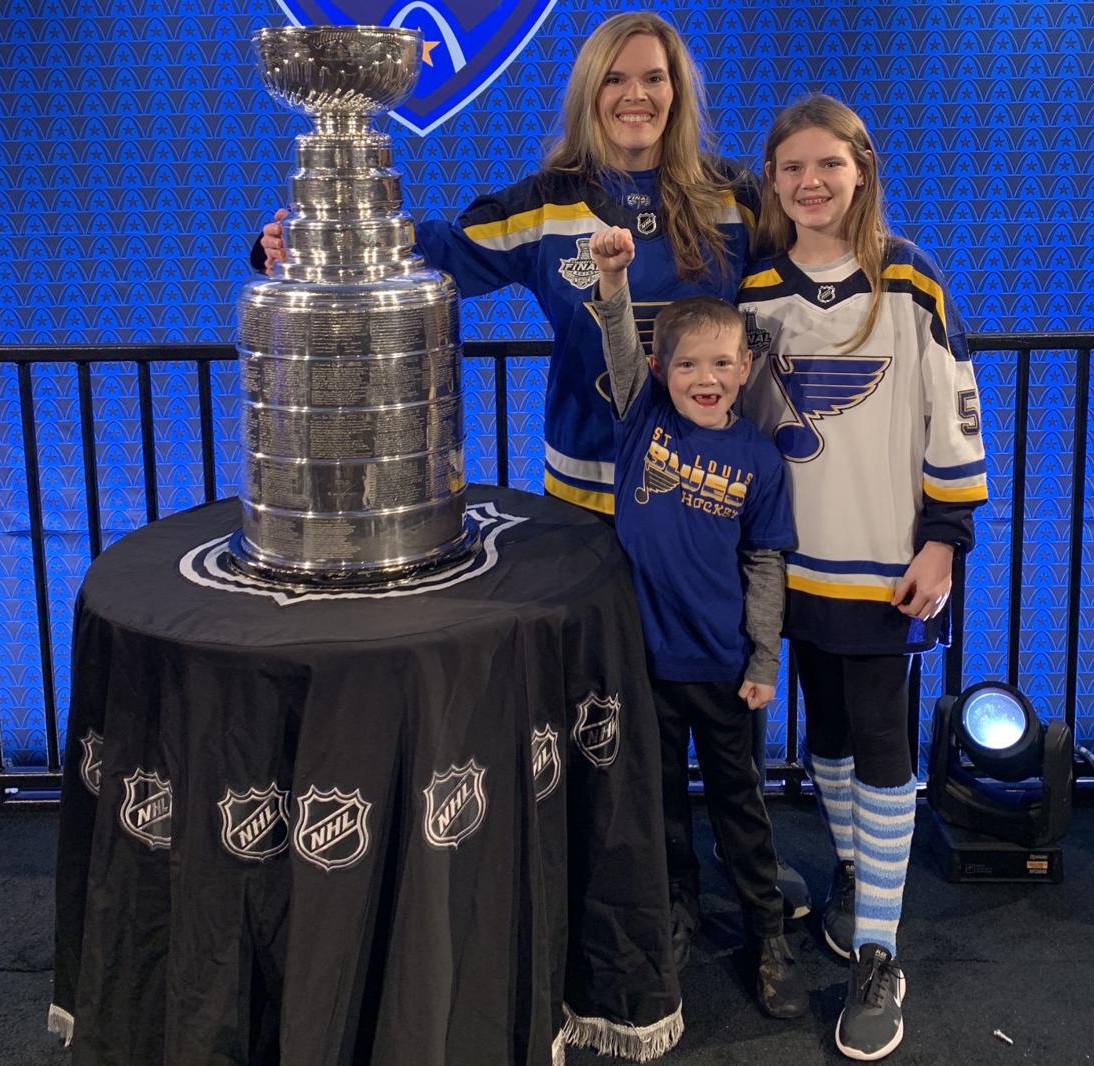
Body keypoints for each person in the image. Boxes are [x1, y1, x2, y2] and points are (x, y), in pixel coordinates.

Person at [251, 11, 813, 918]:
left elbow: (814, 272)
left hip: (710, 506)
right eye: (616, 79)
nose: (637, 95)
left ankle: (739, 876)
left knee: (717, 699)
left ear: (680, 91)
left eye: (655, 79)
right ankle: (624, 883)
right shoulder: (548, 199)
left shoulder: (732, 196)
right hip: (589, 499)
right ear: (590, 92)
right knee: (609, 704)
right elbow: (435, 250)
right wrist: (300, 240)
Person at [592, 95, 989, 1061]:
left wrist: (945, 535)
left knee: (884, 742)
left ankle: (879, 956)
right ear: (770, 181)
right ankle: (858, 879)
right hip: (786, 562)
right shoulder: (757, 286)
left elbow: (956, 409)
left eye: (828, 166)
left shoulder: (911, 279)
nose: (809, 184)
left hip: (885, 562)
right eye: (789, 169)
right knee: (833, 744)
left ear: (863, 166)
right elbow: (709, 389)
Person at [588, 225, 807, 1020]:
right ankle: (673, 914)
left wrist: (764, 660)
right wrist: (613, 285)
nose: (705, 377)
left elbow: (766, 566)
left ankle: (767, 932)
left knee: (740, 808)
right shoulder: (641, 421)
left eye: (721, 362)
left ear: (745, 369)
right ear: (660, 372)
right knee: (659, 808)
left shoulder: (759, 460)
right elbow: (617, 345)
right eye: (687, 363)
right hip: (647, 665)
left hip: (721, 668)